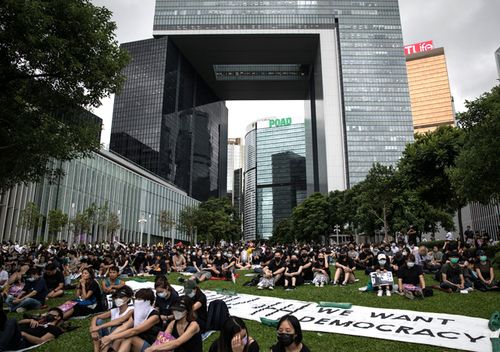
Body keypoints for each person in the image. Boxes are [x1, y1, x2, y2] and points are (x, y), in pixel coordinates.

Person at [100, 288, 162, 352]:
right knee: (119, 337)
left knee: (129, 338)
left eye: (139, 299)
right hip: (138, 341)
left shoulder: (154, 316)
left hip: (151, 345)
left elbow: (135, 331)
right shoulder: (137, 312)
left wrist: (111, 337)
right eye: (137, 299)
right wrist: (109, 337)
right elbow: (124, 326)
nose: (137, 301)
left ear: (148, 301)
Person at [90, 286, 134, 352]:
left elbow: (120, 321)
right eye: (116, 298)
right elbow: (95, 317)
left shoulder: (131, 310)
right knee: (98, 321)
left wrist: (98, 327)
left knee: (115, 327)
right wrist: (94, 329)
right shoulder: (114, 310)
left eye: (121, 297)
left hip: (120, 337)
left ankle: (105, 347)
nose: (117, 299)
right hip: (110, 334)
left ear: (128, 299)